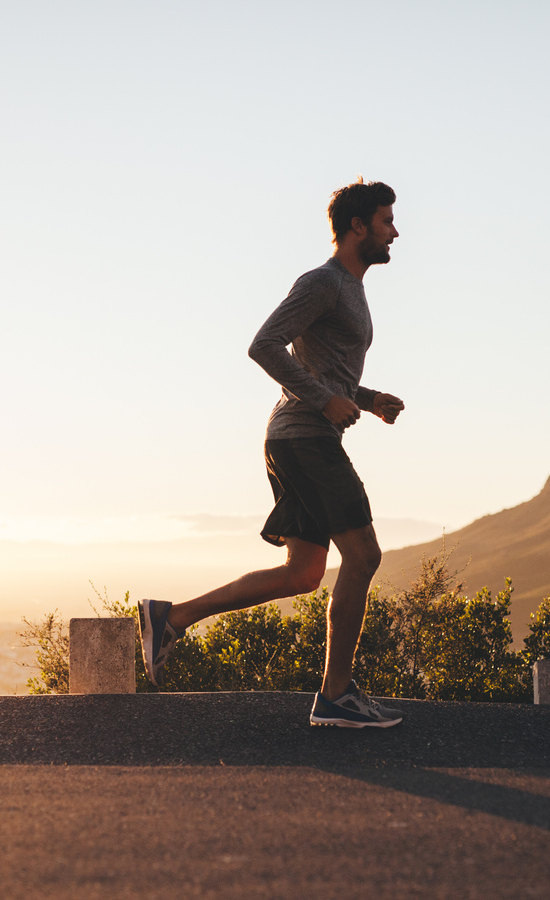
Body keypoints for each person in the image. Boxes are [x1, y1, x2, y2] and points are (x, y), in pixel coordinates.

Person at [139, 180, 407, 728]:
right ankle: (336, 697)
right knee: (364, 555)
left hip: (306, 435)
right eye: (386, 222)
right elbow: (263, 344)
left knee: (305, 573)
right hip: (302, 437)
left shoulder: (351, 289)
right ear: (359, 227)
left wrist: (364, 397)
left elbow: (326, 372)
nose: (394, 232)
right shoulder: (324, 282)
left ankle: (173, 618)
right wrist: (325, 399)